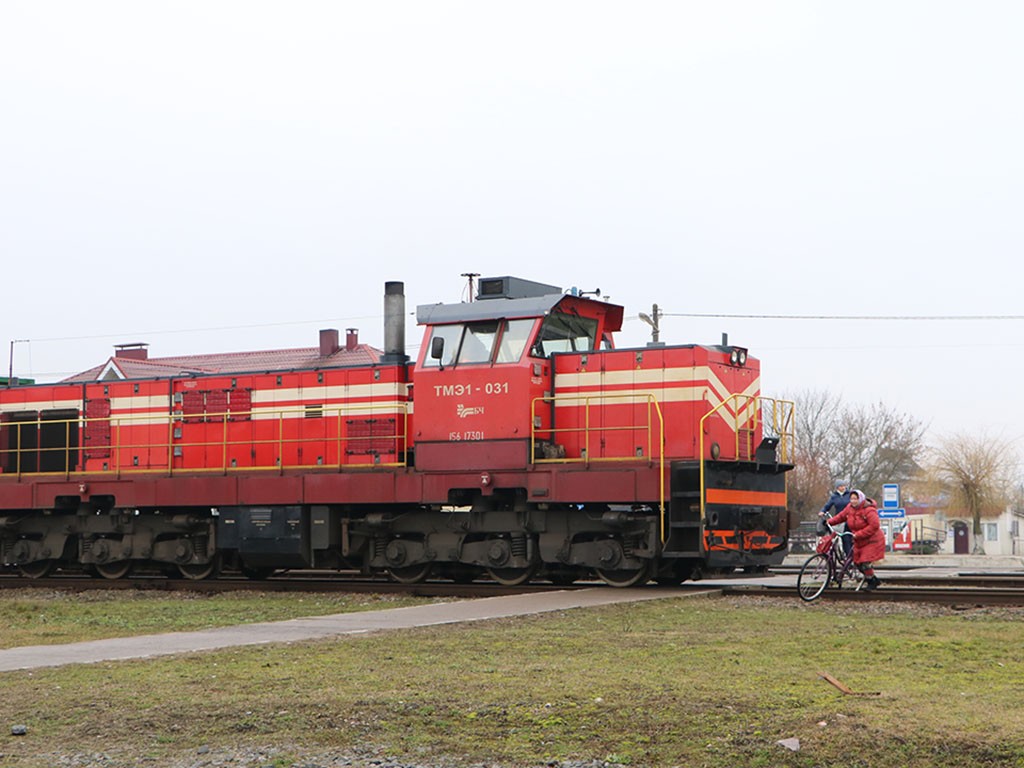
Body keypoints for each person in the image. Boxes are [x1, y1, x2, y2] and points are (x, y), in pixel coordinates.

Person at [826, 489, 885, 590]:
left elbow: (874, 526)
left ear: (860, 499)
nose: (853, 501)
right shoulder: (850, 508)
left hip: (872, 540)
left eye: (855, 499)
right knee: (857, 562)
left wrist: (859, 534)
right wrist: (829, 522)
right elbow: (841, 516)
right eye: (851, 499)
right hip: (859, 540)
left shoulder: (869, 510)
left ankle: (871, 582)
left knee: (865, 561)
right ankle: (873, 579)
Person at [819, 481, 852, 556]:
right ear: (837, 487)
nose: (843, 487)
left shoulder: (849, 495)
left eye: (844, 486)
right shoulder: (834, 497)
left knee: (846, 538)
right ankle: (833, 552)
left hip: (848, 519)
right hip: (839, 518)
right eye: (841, 486)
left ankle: (848, 555)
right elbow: (828, 505)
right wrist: (822, 511)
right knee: (832, 536)